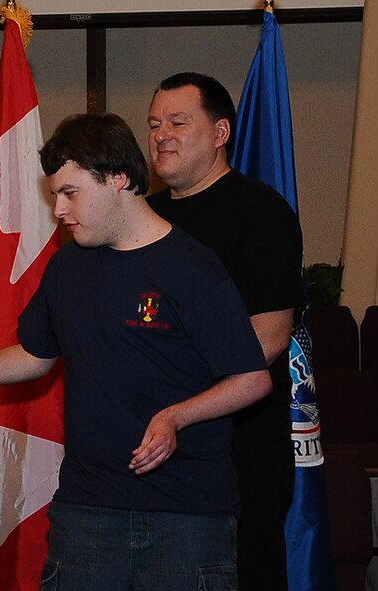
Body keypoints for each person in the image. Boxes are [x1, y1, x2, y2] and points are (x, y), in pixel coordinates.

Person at [0, 112, 272, 590]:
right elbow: (36, 355)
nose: (58, 209)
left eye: (70, 192)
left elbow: (251, 378)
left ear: (118, 179)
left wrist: (176, 416)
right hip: (87, 512)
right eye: (55, 193)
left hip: (187, 516)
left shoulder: (193, 269)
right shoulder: (67, 268)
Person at [146, 72, 304, 591]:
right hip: (154, 449)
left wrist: (179, 393)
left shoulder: (261, 214)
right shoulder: (142, 218)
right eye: (153, 124)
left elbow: (269, 336)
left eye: (177, 121)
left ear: (220, 133)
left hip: (239, 454)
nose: (161, 135)